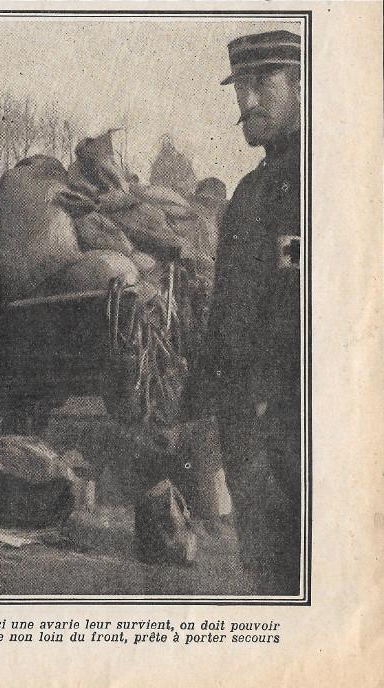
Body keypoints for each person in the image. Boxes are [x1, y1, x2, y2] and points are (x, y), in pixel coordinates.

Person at [183, 30, 303, 595]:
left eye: (263, 83)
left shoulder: (323, 182)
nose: (248, 101)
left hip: (298, 433)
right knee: (267, 581)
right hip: (248, 441)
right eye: (241, 86)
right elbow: (224, 316)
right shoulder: (248, 195)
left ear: (300, 84)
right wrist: (201, 412)